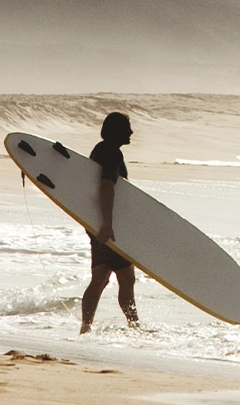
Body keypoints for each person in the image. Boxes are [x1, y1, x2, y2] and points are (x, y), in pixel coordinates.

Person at [80, 111, 139, 334]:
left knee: (100, 277)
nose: (131, 132)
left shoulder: (99, 149)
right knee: (126, 278)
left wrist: (99, 223)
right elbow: (106, 186)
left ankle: (85, 327)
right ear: (117, 131)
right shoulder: (113, 154)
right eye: (127, 127)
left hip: (94, 221)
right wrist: (108, 224)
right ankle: (135, 327)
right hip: (107, 224)